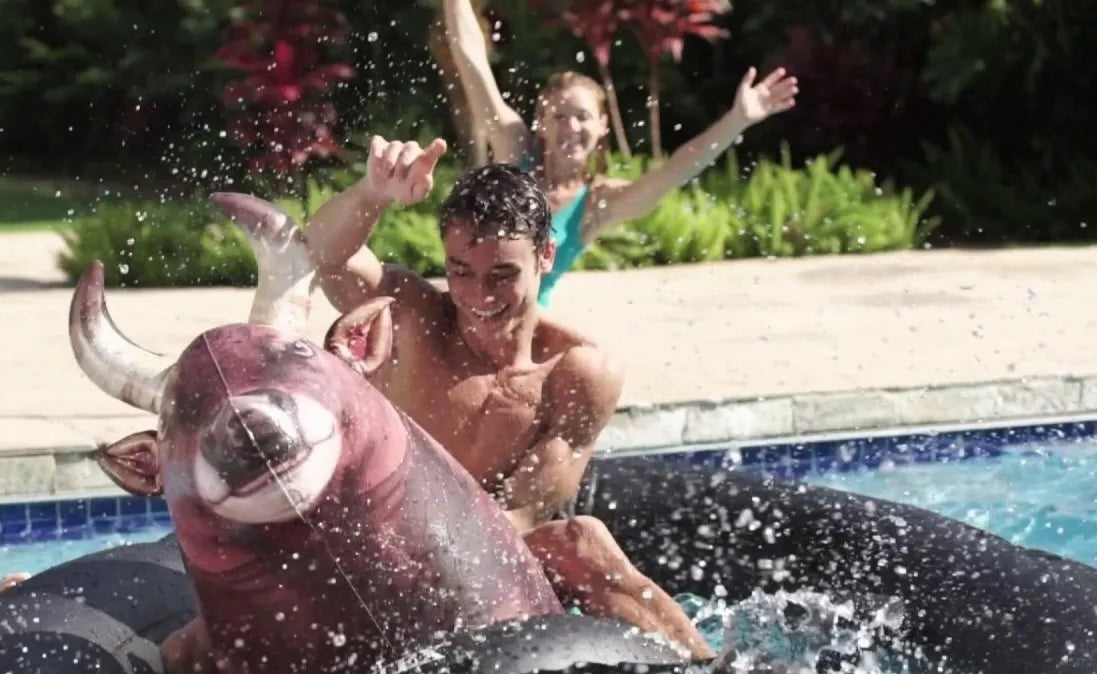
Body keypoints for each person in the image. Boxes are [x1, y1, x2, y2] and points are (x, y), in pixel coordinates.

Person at [301, 134, 715, 660]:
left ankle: (706, 666)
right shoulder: (412, 318)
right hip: (375, 548)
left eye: (503, 274)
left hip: (485, 562)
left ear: (546, 256)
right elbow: (321, 254)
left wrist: (441, 563)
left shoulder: (577, 372)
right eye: (461, 272)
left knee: (580, 539)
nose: (480, 296)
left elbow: (523, 511)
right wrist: (371, 193)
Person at [442, 0, 799, 306]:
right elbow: (472, 62)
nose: (570, 127)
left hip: (526, 331)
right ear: (541, 125)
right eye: (559, 117)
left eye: (582, 117)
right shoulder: (515, 152)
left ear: (602, 126)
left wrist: (737, 121)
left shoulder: (596, 205)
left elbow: (675, 171)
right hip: (468, 310)